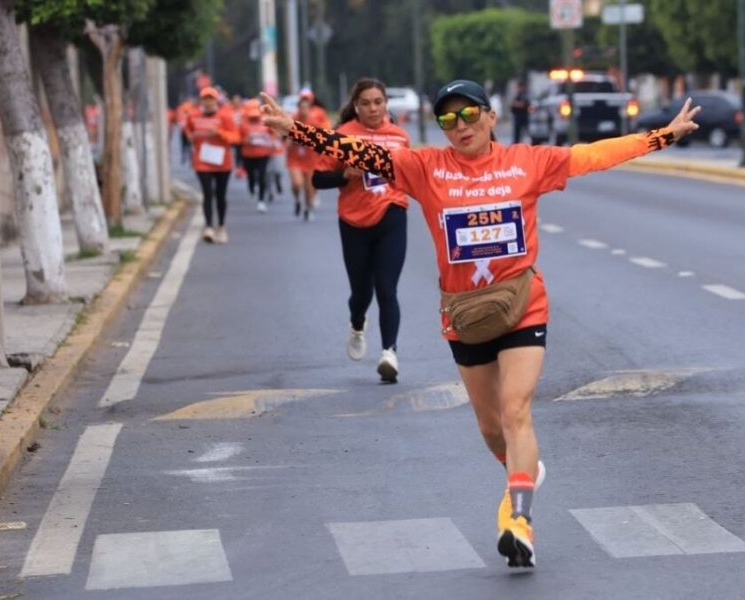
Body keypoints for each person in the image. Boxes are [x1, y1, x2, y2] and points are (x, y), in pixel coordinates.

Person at [260, 79, 699, 568]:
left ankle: (520, 520)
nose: (460, 126)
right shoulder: (424, 168)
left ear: (491, 117)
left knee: (516, 411)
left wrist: (663, 135)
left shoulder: (527, 162)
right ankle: (523, 469)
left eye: (469, 115)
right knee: (492, 430)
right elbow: (355, 151)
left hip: (522, 304)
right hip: (465, 315)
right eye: (448, 119)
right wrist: (295, 130)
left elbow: (593, 154)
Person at [312, 78, 411, 383]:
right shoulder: (342, 137)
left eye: (378, 102)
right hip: (354, 221)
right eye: (366, 103)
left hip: (392, 213)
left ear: (386, 104)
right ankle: (357, 323)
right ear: (356, 106)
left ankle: (389, 353)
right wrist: (345, 175)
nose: (372, 108)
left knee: (386, 287)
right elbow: (318, 180)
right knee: (361, 292)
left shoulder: (399, 138)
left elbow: (411, 175)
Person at [184, 86, 239, 243]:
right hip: (202, 161)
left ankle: (221, 226)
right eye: (205, 99)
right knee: (207, 193)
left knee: (220, 195)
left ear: (216, 101)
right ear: (201, 100)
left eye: (211, 99)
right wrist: (190, 136)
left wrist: (219, 133)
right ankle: (208, 226)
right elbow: (188, 129)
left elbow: (236, 137)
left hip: (222, 162)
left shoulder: (225, 116)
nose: (208, 102)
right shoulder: (193, 116)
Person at [284, 91, 331, 221]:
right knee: (297, 184)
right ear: (298, 108)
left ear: (310, 108)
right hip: (295, 158)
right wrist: (288, 143)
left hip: (311, 160)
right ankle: (297, 200)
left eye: (306, 108)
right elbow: (287, 137)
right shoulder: (293, 120)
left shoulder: (315, 121)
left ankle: (308, 208)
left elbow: (322, 138)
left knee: (309, 188)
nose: (304, 110)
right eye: (301, 107)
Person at [239, 99, 281, 213]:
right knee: (251, 176)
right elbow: (238, 138)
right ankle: (252, 189)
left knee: (262, 176)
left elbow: (273, 134)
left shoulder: (266, 121)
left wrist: (272, 143)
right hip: (248, 154)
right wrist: (244, 140)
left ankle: (261, 200)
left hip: (263, 154)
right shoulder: (243, 123)